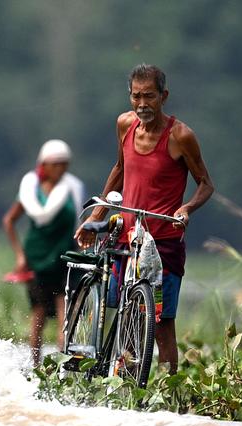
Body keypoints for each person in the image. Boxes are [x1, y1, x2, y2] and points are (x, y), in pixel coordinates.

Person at [76, 63, 214, 372]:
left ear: (164, 96)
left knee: (163, 324)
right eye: (136, 96)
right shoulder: (125, 125)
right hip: (128, 238)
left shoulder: (180, 136)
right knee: (125, 311)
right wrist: (96, 214)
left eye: (149, 96)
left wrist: (186, 208)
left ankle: (166, 394)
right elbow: (119, 168)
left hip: (163, 242)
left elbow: (206, 183)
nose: (142, 104)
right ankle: (125, 384)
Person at [2, 139, 86, 368]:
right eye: (55, 164)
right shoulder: (30, 191)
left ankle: (62, 367)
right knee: (38, 315)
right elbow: (9, 221)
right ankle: (36, 367)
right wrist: (20, 255)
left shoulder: (72, 190)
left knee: (64, 314)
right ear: (44, 165)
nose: (60, 169)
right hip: (37, 259)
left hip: (64, 258)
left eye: (64, 164)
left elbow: (80, 222)